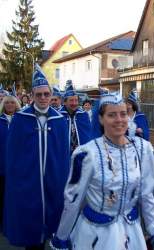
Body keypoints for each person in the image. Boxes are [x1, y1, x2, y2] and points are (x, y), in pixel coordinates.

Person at [50, 92, 154, 250]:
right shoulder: (87, 154)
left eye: (123, 114)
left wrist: (153, 227)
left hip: (132, 232)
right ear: (101, 119)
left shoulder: (143, 149)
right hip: (95, 233)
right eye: (112, 115)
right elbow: (73, 199)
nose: (119, 120)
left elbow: (148, 192)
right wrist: (62, 236)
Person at [4, 64, 70, 250]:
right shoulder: (20, 119)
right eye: (38, 94)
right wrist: (17, 183)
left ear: (51, 95)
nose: (43, 98)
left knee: (56, 231)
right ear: (32, 95)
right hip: (28, 185)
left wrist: (62, 182)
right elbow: (13, 157)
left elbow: (63, 156)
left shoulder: (59, 120)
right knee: (32, 236)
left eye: (46, 94)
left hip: (53, 184)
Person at [0, 94, 21, 226]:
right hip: (1, 163)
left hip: (18, 165)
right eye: (7, 103)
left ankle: (15, 219)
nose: (9, 105)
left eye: (12, 103)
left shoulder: (22, 120)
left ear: (16, 105)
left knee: (16, 193)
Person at [59, 81, 92, 154]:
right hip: (63, 155)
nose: (74, 103)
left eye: (76, 100)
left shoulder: (84, 115)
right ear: (64, 102)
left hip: (81, 157)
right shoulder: (58, 116)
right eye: (71, 100)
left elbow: (88, 135)